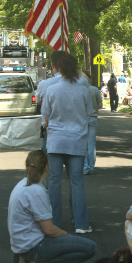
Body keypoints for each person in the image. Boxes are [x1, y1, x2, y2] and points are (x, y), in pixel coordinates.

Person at [9, 151, 98, 263]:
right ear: (46, 167)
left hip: (20, 243)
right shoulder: (36, 191)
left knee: (67, 244)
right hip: (33, 245)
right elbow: (49, 230)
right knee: (90, 248)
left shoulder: (22, 184)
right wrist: (65, 235)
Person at [41, 53, 93, 233]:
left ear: (58, 68)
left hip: (56, 140)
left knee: (54, 182)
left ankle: (54, 222)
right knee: (77, 182)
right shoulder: (83, 90)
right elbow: (88, 112)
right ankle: (81, 224)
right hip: (77, 140)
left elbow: (45, 115)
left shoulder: (51, 90)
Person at [36, 51, 67, 153]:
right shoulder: (79, 85)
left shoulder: (44, 84)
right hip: (74, 133)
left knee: (47, 162)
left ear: (52, 65)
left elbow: (38, 101)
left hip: (51, 130)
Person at [82, 70, 103, 175]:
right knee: (91, 144)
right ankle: (91, 166)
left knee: (83, 144)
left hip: (82, 119)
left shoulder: (79, 90)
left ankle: (85, 167)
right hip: (93, 117)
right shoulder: (95, 90)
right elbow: (100, 105)